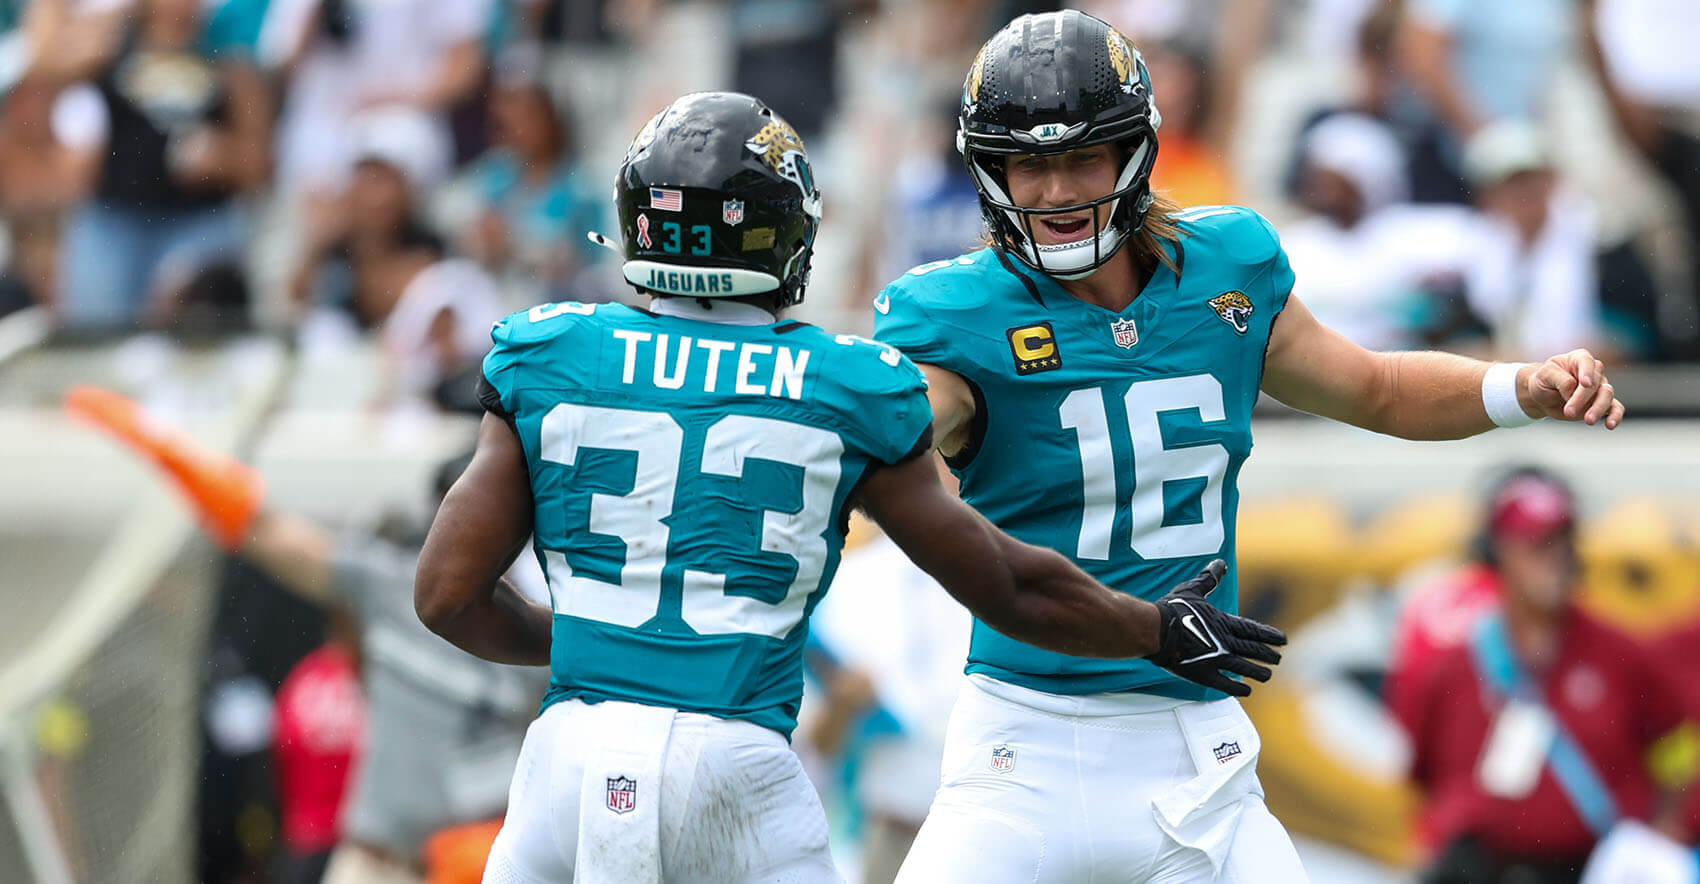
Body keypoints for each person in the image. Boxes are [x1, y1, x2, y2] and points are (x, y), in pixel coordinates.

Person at [411, 90, 1287, 883]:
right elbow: (1006, 584)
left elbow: (447, 596)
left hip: (569, 759)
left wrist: (594, 644)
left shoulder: (549, 351)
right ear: (790, 231)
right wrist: (1154, 628)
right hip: (736, 763)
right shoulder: (846, 385)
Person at [871, 11, 1626, 883]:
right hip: (1021, 744)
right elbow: (903, 457)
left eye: (1081, 157)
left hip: (1198, 749)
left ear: (1137, 153)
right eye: (1028, 164)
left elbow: (1377, 388)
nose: (1054, 191)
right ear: (989, 168)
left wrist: (1519, 387)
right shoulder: (951, 317)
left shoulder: (1228, 266)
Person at [62, 387, 550, 884]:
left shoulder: (547, 631)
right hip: (373, 866)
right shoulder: (391, 586)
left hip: (475, 870)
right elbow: (264, 529)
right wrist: (164, 449)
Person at [1386, 467, 1695, 883]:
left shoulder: (1620, 654)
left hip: (1590, 867)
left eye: (1562, 541)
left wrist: (1669, 826)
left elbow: (1680, 744)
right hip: (1481, 870)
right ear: (1497, 552)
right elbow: (1420, 772)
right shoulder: (1451, 665)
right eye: (1536, 543)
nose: (1555, 556)